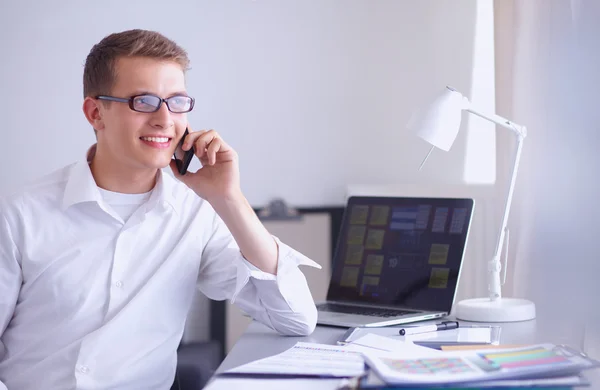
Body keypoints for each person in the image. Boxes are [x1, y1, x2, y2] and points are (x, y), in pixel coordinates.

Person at [0, 29, 320, 390]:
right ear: (95, 113)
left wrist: (229, 198)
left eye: (177, 101)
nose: (164, 119)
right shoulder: (18, 215)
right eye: (144, 101)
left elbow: (295, 319)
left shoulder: (195, 212)